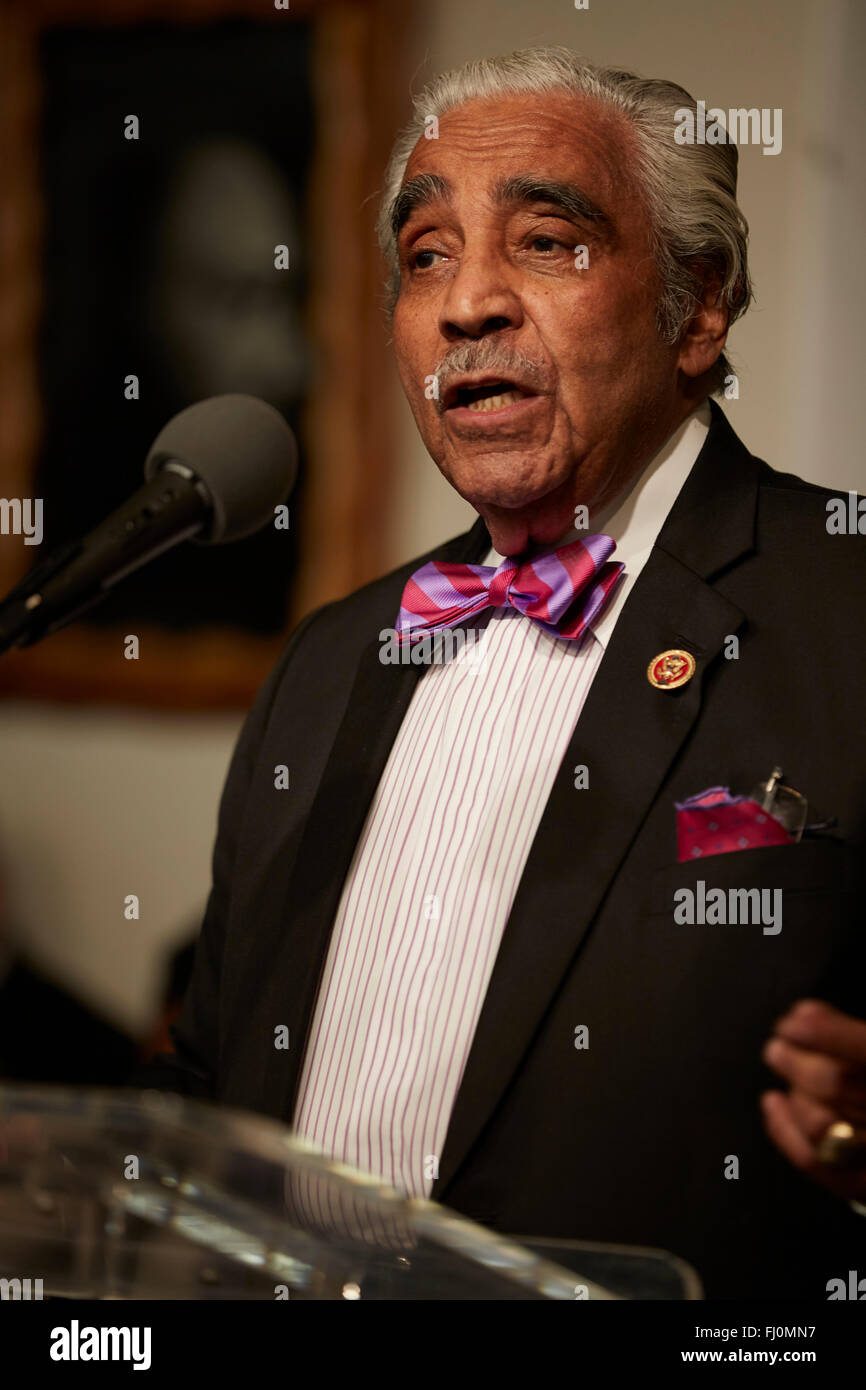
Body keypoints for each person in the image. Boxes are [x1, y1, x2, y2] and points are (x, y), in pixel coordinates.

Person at [133, 48, 866, 1299]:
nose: (467, 302)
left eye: (543, 241)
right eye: (424, 256)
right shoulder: (328, 659)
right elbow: (208, 1083)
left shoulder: (842, 604)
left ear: (697, 305)